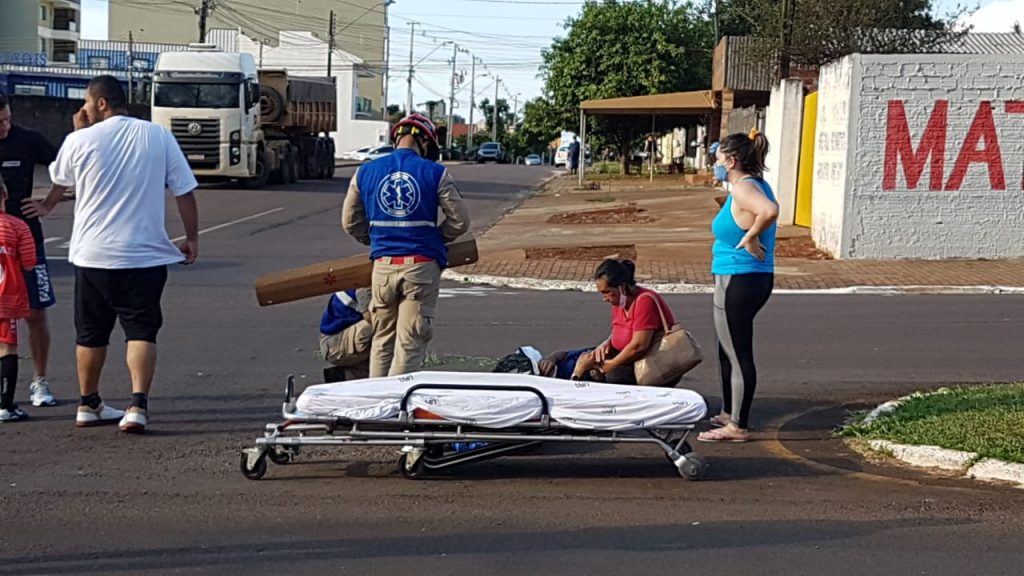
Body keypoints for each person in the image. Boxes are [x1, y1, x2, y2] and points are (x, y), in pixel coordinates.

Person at [25, 76, 199, 434]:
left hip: (92, 255)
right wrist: (192, 238)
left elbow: (61, 178)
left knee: (90, 333)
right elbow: (184, 190)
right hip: (144, 255)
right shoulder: (158, 135)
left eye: (87, 102)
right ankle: (137, 406)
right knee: (141, 332)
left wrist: (76, 135)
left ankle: (88, 404)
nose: (83, 109)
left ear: (101, 103)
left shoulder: (79, 139)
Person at [342, 113, 470, 378]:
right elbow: (460, 221)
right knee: (409, 343)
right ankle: (397, 408)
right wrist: (435, 238)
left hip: (383, 269)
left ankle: (376, 407)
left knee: (381, 340)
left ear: (396, 138)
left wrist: (376, 240)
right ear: (424, 142)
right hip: (421, 268)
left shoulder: (364, 171)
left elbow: (349, 221)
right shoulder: (436, 172)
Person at [698, 128, 778, 444]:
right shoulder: (749, 186)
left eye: (717, 159)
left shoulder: (745, 188)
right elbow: (754, 216)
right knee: (725, 347)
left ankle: (738, 426)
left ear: (731, 161)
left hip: (742, 280)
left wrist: (748, 236)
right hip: (737, 277)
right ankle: (729, 411)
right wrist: (752, 232)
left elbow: (769, 211)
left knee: (738, 351)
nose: (714, 164)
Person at [0, 92, 59, 408]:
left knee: (36, 312)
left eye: (7, 119)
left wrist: (48, 202)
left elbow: (67, 165)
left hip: (26, 238)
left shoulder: (27, 140)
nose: (5, 127)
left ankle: (40, 382)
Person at [571, 259, 677, 385]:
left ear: (622, 287)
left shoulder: (644, 302)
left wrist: (610, 365)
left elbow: (639, 346)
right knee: (579, 358)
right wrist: (607, 344)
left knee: (611, 376)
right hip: (623, 356)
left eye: (607, 292)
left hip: (647, 363)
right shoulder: (619, 302)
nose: (604, 299)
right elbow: (619, 330)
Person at [0, 175, 38, 422]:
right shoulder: (17, 226)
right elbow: (30, 262)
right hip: (7, 298)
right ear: (4, 194)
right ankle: (5, 405)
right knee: (6, 348)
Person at [320, 288, 373, 381]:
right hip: (335, 342)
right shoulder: (365, 285)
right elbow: (370, 317)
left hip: (343, 335)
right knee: (384, 325)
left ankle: (346, 376)